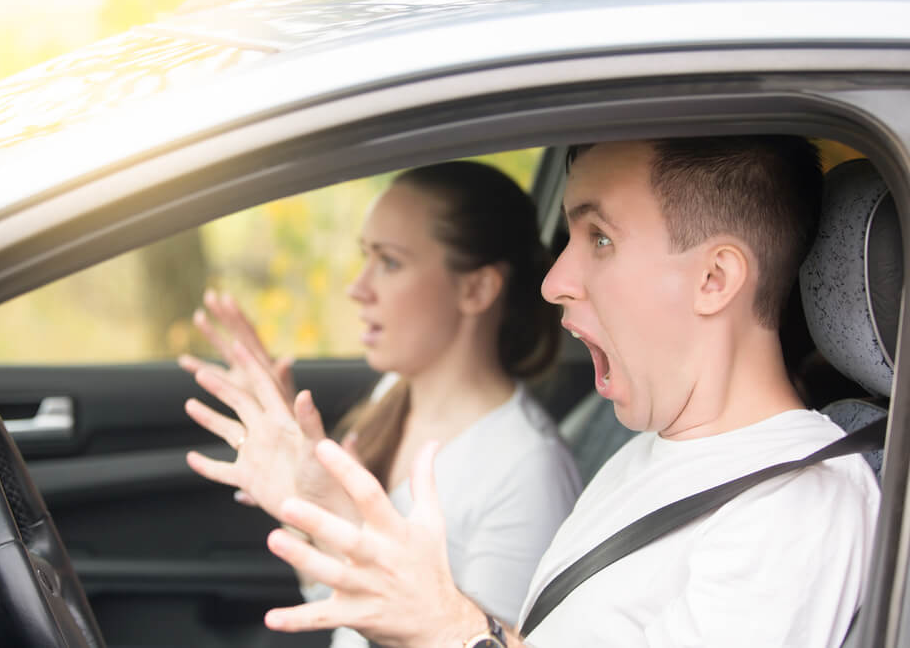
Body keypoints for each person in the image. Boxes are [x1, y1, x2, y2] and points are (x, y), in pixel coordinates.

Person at [256, 137, 881, 647]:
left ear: (714, 278)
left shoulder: (792, 507)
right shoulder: (653, 448)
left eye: (600, 239)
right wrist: (338, 525)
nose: (554, 280)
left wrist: (456, 633)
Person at [179, 161, 583, 646]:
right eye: (365, 257)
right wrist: (303, 508)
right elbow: (346, 612)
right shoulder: (391, 391)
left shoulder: (527, 471)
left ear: (476, 288)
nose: (358, 288)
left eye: (389, 262)